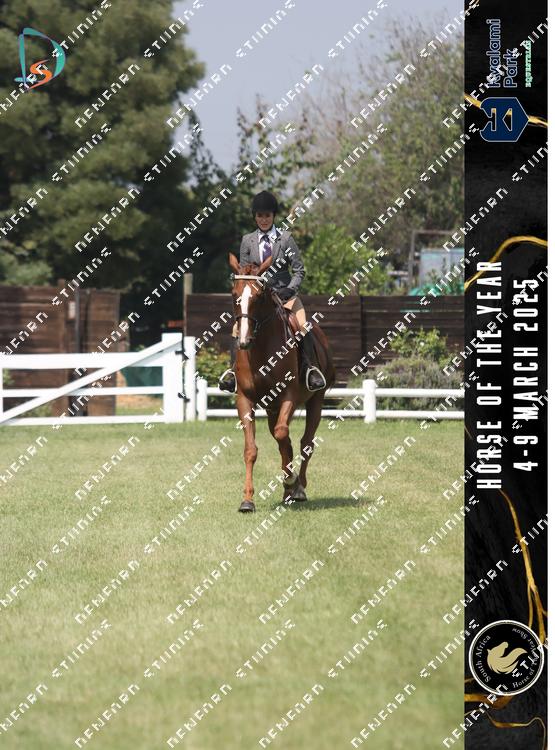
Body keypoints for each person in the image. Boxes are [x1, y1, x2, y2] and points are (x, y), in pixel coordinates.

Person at [218, 190, 326, 394]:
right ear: (255, 217)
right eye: (260, 215)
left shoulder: (286, 239)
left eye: (267, 215)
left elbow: (299, 270)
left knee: (302, 324)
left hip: (285, 295)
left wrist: (290, 289)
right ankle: (233, 372)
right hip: (259, 299)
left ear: (273, 216)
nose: (264, 219)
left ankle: (309, 368)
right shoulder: (247, 240)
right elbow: (244, 272)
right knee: (237, 328)